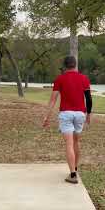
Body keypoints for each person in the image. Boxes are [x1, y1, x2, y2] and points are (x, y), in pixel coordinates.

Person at [43, 56, 93, 184]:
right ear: (75, 65)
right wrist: (89, 114)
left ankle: (72, 174)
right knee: (76, 142)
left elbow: (53, 100)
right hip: (80, 114)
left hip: (66, 114)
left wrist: (46, 116)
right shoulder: (84, 78)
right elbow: (88, 98)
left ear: (65, 66)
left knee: (69, 144)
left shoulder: (60, 79)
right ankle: (75, 169)